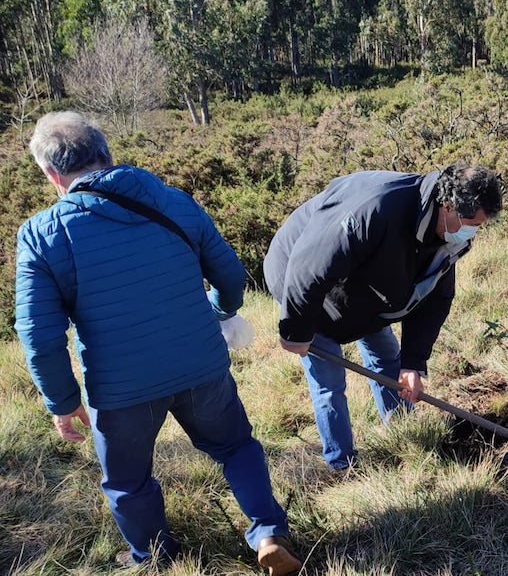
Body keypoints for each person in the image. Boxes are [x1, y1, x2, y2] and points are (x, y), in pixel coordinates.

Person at [15, 112, 301, 574]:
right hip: (202, 366)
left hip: (120, 390)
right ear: (106, 154)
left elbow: (39, 334)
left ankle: (155, 557)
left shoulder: (41, 235)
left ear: (51, 175)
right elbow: (230, 276)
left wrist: (62, 401)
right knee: (236, 447)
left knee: (128, 482)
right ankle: (268, 532)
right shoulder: (174, 201)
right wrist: (220, 311)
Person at [264, 164, 502, 469]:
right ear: (447, 206)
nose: (473, 232)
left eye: (480, 226)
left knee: (390, 359)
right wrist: (295, 330)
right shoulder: (376, 210)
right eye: (471, 223)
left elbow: (435, 299)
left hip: (365, 286)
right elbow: (310, 267)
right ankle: (342, 464)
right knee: (328, 379)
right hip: (300, 280)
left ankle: (404, 436)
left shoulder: (448, 236)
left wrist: (413, 363)